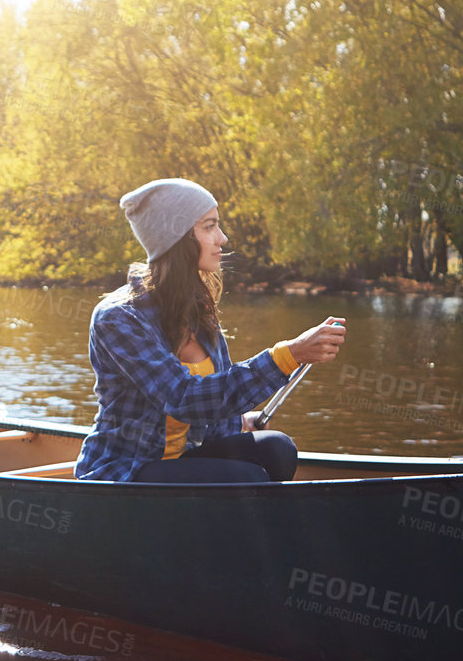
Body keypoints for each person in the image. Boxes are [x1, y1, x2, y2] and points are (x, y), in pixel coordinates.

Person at [76, 178, 345, 483]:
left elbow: (215, 394)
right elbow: (184, 398)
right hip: (129, 467)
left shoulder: (196, 303)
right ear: (177, 239)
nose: (223, 238)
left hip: (182, 457)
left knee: (277, 449)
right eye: (209, 226)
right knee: (246, 479)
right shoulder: (118, 317)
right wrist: (288, 356)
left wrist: (240, 422)